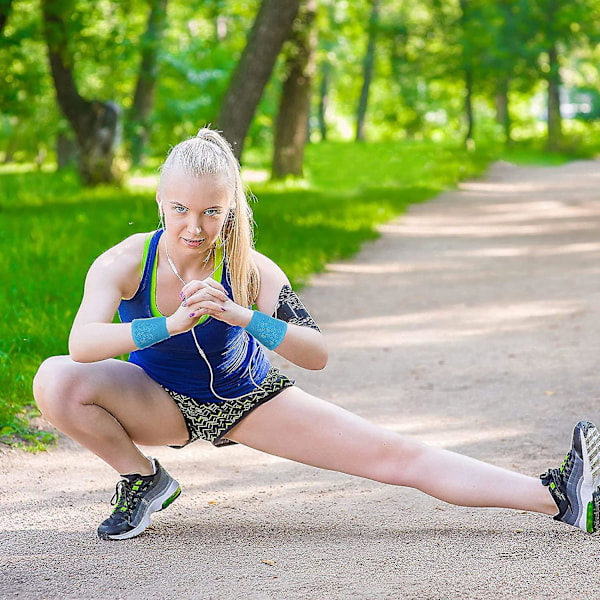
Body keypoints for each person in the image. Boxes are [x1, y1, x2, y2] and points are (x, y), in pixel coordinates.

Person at [33, 127, 600, 541]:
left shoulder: (252, 268)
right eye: (180, 208)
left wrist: (240, 315)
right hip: (158, 403)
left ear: (230, 209)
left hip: (246, 400)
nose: (194, 226)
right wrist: (171, 324)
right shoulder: (125, 261)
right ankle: (143, 481)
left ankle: (558, 496)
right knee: (55, 378)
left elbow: (316, 352)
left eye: (211, 211)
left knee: (394, 456)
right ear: (160, 200)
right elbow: (82, 343)